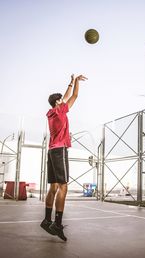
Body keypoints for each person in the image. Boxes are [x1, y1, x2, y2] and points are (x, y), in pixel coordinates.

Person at [40, 74, 87, 241]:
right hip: (60, 151)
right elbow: (73, 96)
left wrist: (71, 81)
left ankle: (47, 220)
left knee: (53, 188)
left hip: (52, 151)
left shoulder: (51, 112)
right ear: (57, 103)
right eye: (61, 100)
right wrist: (76, 82)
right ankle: (57, 224)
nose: (63, 100)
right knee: (63, 187)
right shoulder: (60, 111)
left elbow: (66, 96)